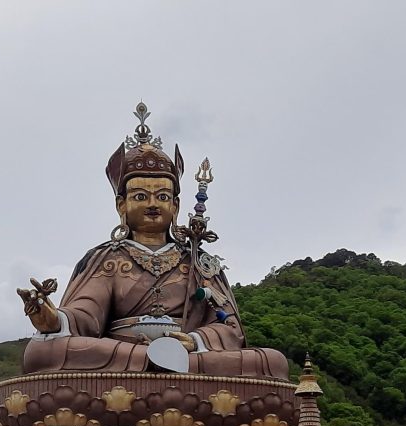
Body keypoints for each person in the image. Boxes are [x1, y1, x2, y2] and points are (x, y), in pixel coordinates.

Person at [17, 103, 289, 380]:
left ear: (176, 205)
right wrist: (52, 319)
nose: (152, 204)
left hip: (187, 354)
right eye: (139, 196)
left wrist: (194, 342)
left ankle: (164, 364)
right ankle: (152, 362)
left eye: (162, 196)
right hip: (122, 352)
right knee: (42, 352)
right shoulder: (107, 258)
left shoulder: (198, 262)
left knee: (272, 362)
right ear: (121, 206)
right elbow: (85, 316)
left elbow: (229, 327)